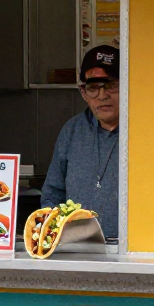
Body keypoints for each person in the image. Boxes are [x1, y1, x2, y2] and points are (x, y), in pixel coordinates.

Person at [41, 44, 120, 238]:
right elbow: (52, 192)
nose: (102, 95)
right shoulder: (72, 130)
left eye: (111, 85)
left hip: (132, 253)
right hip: (76, 250)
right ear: (83, 93)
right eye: (93, 88)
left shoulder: (146, 133)